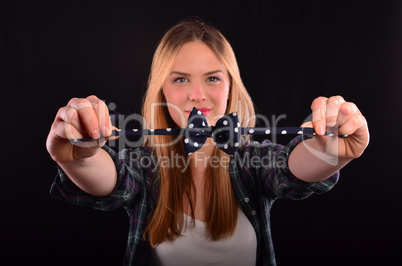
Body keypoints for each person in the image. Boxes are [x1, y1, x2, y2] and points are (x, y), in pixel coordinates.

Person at [46, 19, 369, 266]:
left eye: (212, 78)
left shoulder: (252, 162)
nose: (197, 95)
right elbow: (111, 179)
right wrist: (76, 156)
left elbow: (292, 168)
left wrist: (329, 151)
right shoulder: (145, 166)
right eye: (180, 79)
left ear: (231, 88)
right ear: (162, 90)